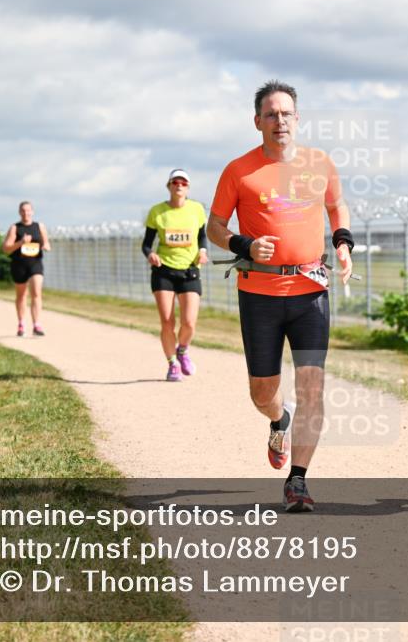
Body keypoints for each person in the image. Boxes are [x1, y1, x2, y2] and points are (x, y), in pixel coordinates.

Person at [208, 80, 354, 512]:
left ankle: (298, 482)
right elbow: (214, 227)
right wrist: (244, 246)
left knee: (312, 388)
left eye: (286, 113)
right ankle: (278, 419)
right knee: (261, 392)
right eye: (270, 114)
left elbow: (337, 206)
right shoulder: (239, 170)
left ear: (297, 118)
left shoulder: (320, 163)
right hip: (260, 293)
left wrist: (342, 242)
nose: (279, 121)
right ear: (257, 122)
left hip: (310, 291)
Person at [142, 169, 208, 381]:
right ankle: (172, 364)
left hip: (189, 270)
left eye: (183, 182)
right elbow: (146, 244)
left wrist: (203, 251)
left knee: (189, 322)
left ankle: (183, 349)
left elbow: (202, 237)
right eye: (175, 182)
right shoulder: (158, 212)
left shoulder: (196, 209)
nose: (179, 185)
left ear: (188, 188)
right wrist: (151, 254)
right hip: (164, 271)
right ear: (169, 186)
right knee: (167, 322)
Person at [2, 201, 51, 336]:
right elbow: (6, 249)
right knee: (21, 295)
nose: (26, 213)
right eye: (23, 210)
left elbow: (47, 243)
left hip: (35, 263)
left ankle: (37, 325)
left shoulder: (39, 226)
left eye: (28, 210)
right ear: (19, 212)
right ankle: (21, 324)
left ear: (32, 212)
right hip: (19, 264)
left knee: (36, 292)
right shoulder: (15, 228)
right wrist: (21, 242)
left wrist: (46, 246)